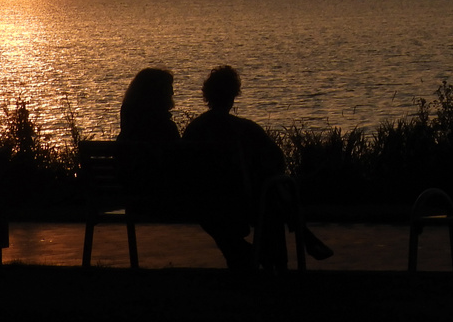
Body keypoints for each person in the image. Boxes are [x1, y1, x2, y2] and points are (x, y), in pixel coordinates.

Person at [182, 65, 332, 269]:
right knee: (271, 193)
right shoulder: (245, 129)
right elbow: (278, 160)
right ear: (234, 94)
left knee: (268, 189)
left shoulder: (194, 130)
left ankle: (284, 243)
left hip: (205, 200)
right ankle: (291, 246)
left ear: (207, 95)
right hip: (244, 201)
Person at [116, 67, 182, 217]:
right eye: (168, 89)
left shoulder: (129, 128)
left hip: (131, 194)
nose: (172, 93)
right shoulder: (165, 128)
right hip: (161, 197)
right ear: (158, 93)